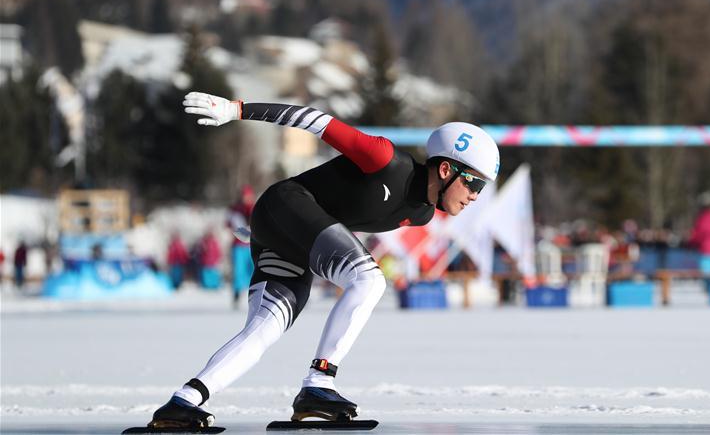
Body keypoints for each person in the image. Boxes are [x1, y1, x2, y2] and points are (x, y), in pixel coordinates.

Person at [145, 91, 499, 430]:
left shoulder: (421, 214)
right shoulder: (385, 159)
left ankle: (184, 402)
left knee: (264, 329)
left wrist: (268, 231)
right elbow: (314, 119)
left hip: (286, 233)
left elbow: (340, 221)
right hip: (284, 205)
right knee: (370, 279)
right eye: (474, 185)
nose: (474, 197)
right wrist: (236, 110)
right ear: (445, 170)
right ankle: (319, 383)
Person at [227, 185, 256, 307]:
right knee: (239, 271)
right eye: (245, 196)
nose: (246, 198)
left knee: (253, 271)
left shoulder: (254, 207)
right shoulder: (235, 209)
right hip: (239, 245)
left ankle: (255, 295)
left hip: (252, 245)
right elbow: (230, 224)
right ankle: (237, 295)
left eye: (248, 196)